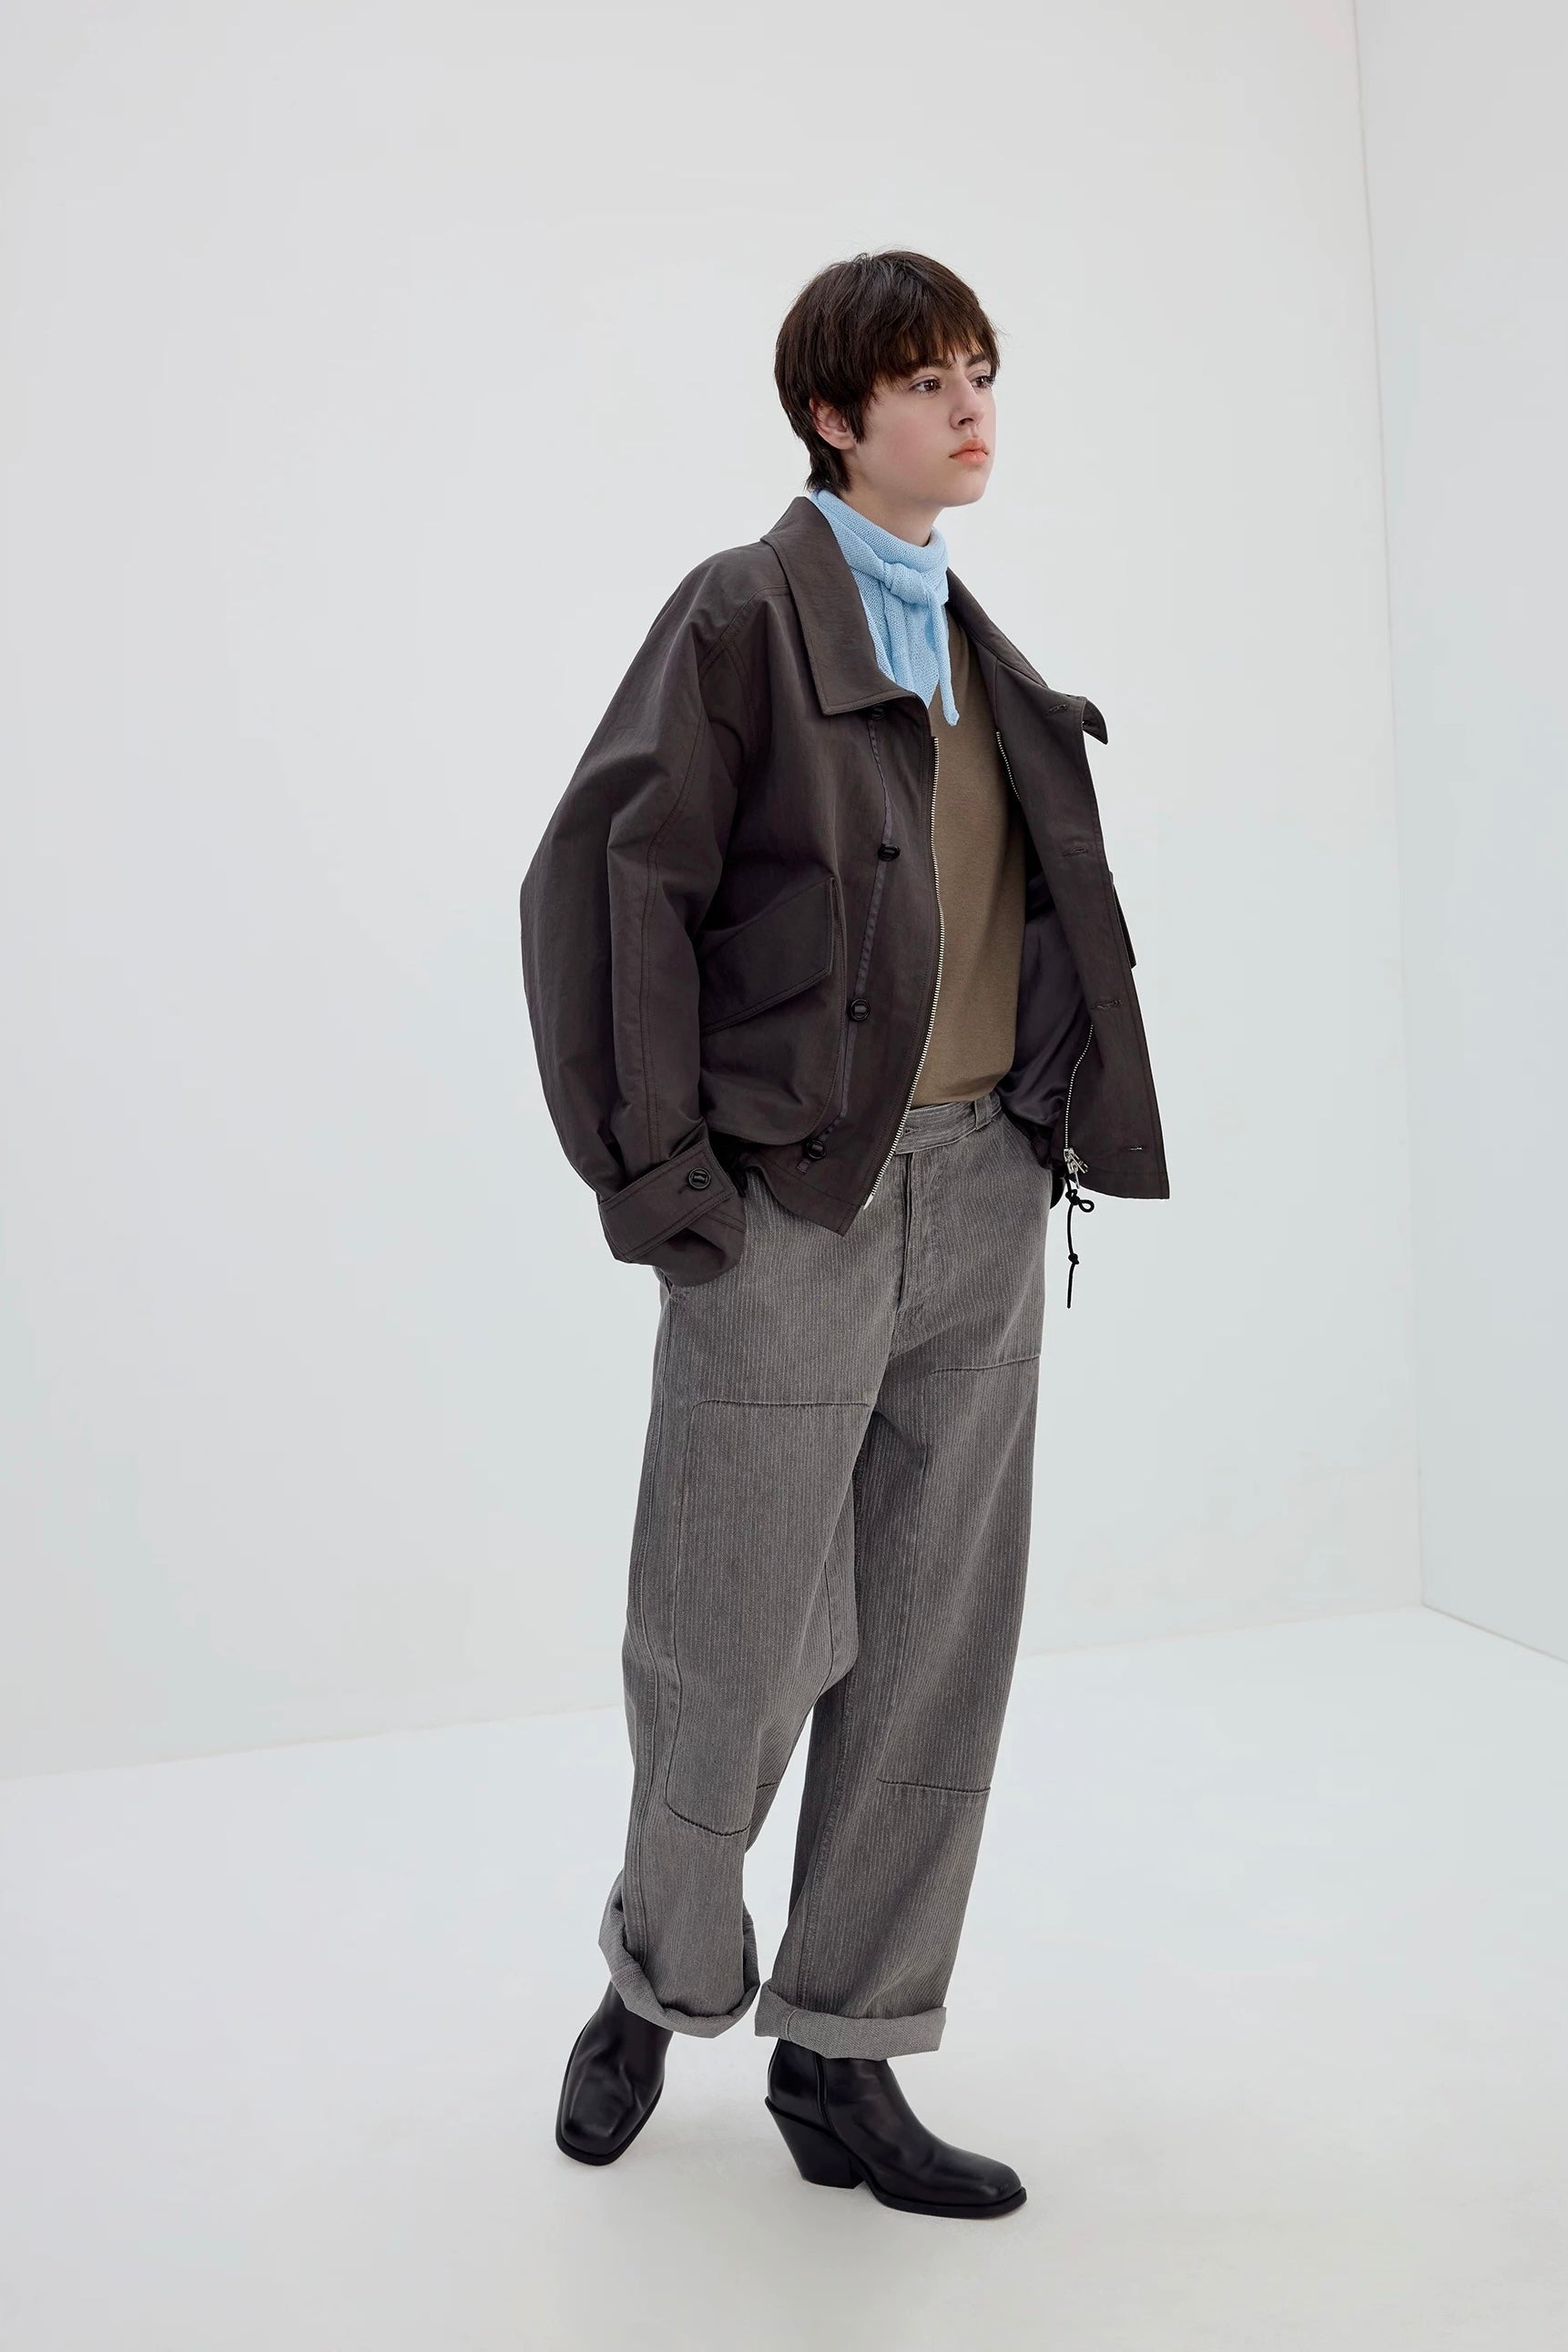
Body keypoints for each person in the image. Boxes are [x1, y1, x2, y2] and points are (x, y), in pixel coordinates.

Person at [517, 249, 1168, 2219]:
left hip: (983, 1192)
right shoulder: (744, 613)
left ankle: (846, 2050)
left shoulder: (966, 636)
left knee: (934, 1649)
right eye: (925, 379)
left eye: (981, 372)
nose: (970, 408)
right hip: (790, 1198)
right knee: (727, 1636)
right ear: (831, 414)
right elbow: (605, 882)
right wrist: (658, 1175)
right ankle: (657, 1977)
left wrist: (1048, 1118)